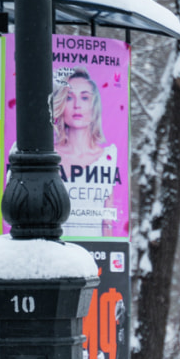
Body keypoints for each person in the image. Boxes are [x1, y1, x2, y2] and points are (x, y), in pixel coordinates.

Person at [51, 67, 119, 235]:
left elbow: (107, 220)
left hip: (92, 255)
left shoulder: (108, 158)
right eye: (69, 97)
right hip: (55, 252)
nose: (77, 106)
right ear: (61, 103)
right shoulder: (48, 156)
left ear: (94, 105)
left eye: (85, 97)